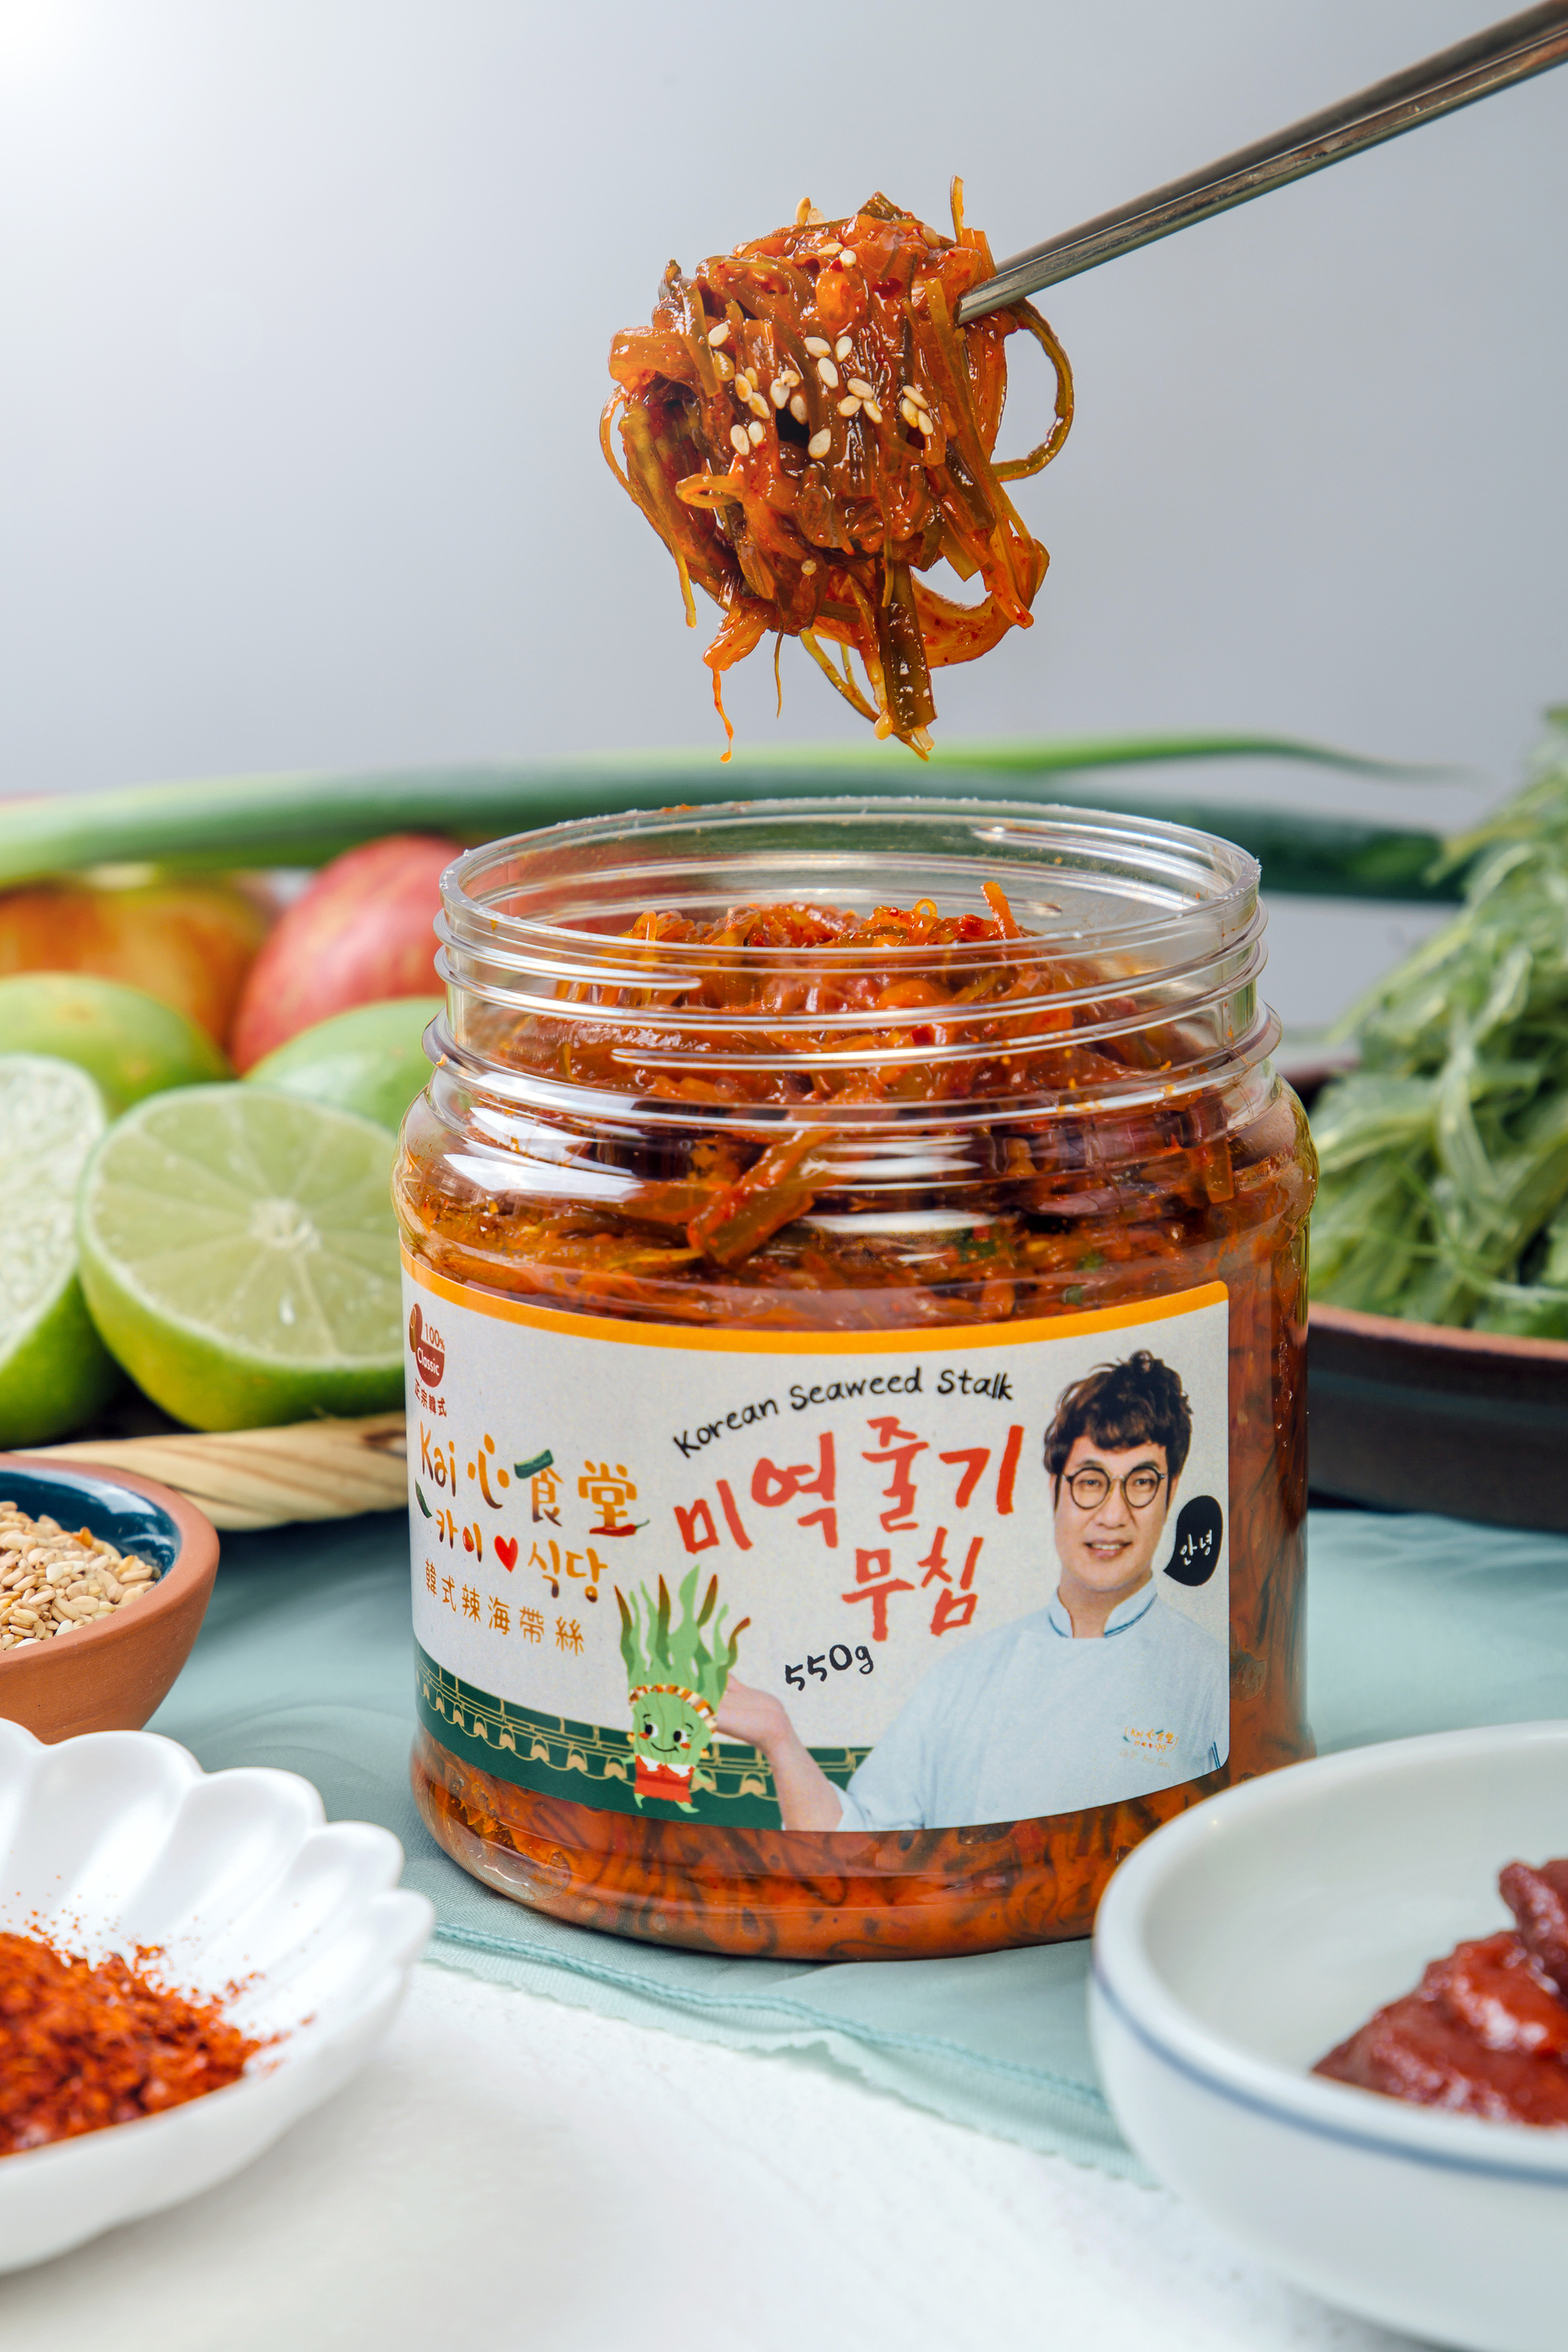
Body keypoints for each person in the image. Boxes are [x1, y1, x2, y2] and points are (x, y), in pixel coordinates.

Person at [714, 1349, 1227, 1831]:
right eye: (1090, 1482)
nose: (1113, 1516)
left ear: (1171, 1492)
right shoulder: (963, 1677)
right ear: (1055, 1488)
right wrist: (778, 1738)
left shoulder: (1211, 1676)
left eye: (1141, 1483)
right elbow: (862, 1843)